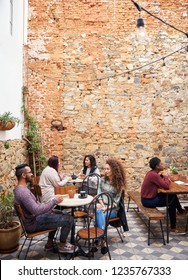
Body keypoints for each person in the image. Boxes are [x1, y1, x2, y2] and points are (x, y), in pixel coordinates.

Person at [14, 163, 77, 253]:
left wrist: (50, 207)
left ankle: (49, 243)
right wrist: (54, 201)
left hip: (33, 219)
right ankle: (62, 245)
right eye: (30, 172)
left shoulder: (20, 189)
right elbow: (36, 210)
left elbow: (36, 206)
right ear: (23, 175)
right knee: (69, 219)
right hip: (33, 223)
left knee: (58, 213)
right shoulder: (22, 192)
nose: (32, 174)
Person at [141, 157, 187, 234]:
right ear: (157, 166)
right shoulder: (154, 175)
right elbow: (166, 186)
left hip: (146, 199)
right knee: (171, 200)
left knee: (172, 196)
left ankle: (180, 211)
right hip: (148, 201)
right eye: (161, 164)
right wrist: (166, 177)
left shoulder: (151, 173)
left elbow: (160, 184)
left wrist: (163, 178)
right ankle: (173, 227)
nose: (163, 165)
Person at [96, 158, 127, 254]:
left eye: (108, 169)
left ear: (114, 170)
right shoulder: (101, 180)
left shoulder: (119, 184)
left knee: (100, 214)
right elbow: (98, 194)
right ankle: (103, 240)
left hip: (112, 209)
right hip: (101, 205)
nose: (105, 171)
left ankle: (100, 238)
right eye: (105, 169)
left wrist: (106, 207)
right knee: (98, 211)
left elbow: (116, 203)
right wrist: (102, 205)